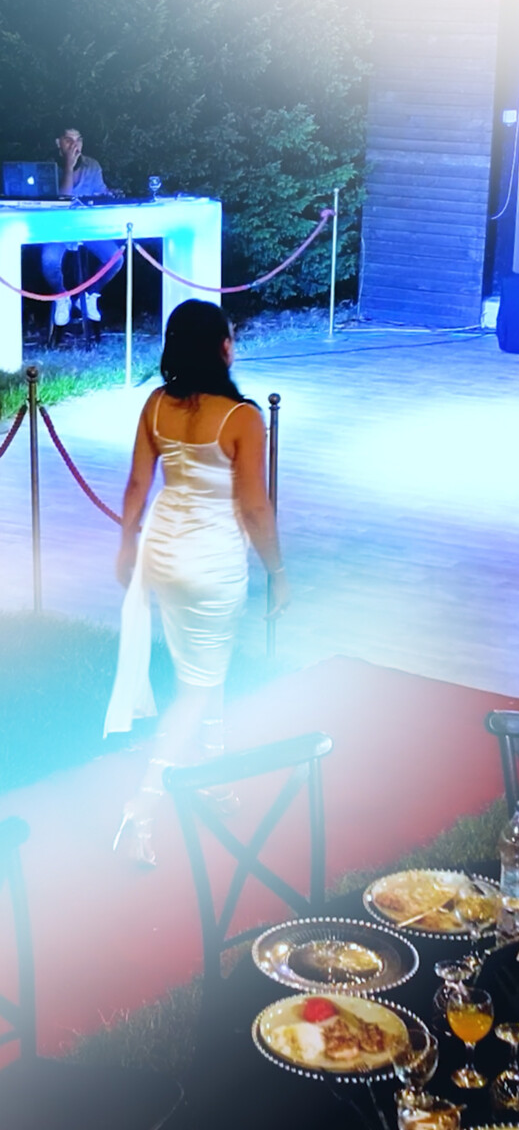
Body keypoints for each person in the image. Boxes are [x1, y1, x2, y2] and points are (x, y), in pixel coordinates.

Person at [106, 299, 289, 866]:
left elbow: (137, 485)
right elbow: (254, 508)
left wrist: (127, 544)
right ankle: (141, 808)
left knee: (205, 667)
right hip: (211, 561)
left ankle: (214, 776)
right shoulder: (242, 418)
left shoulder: (155, 405)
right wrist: (278, 571)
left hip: (164, 552)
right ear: (223, 348)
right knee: (199, 684)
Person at [41, 127, 124, 326]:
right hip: (57, 229)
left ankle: (89, 295)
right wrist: (68, 166)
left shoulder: (92, 165)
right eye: (68, 140)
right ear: (58, 143)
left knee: (116, 259)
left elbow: (100, 191)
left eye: (78, 140)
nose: (74, 145)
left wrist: (110, 194)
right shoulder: (48, 167)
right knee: (49, 260)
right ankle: (62, 296)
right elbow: (63, 198)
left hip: (87, 227)